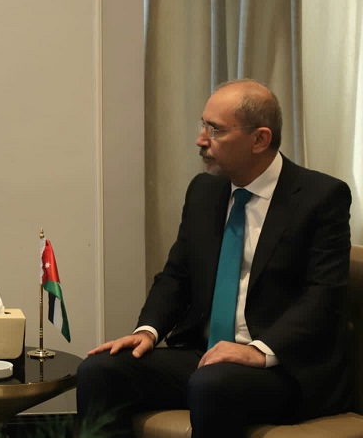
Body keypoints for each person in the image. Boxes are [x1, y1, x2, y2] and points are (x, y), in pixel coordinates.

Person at [77, 79, 352, 437]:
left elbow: (323, 296)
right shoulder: (204, 191)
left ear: (260, 139)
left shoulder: (320, 197)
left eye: (215, 130)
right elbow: (177, 275)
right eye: (203, 125)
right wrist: (148, 330)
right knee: (99, 371)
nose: (201, 140)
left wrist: (259, 350)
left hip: (282, 365)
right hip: (207, 355)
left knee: (211, 384)